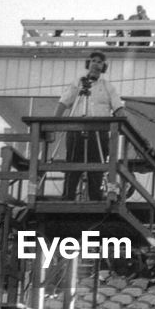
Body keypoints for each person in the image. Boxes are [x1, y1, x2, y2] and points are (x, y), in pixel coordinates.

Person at [53, 51, 126, 201]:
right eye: (93, 60)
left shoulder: (108, 87)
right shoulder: (78, 83)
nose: (96, 64)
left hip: (99, 133)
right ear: (89, 63)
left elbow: (119, 108)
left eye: (99, 62)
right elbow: (63, 102)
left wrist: (125, 124)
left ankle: (95, 197)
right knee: (73, 164)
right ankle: (68, 196)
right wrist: (54, 122)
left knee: (97, 167)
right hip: (76, 130)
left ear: (103, 66)